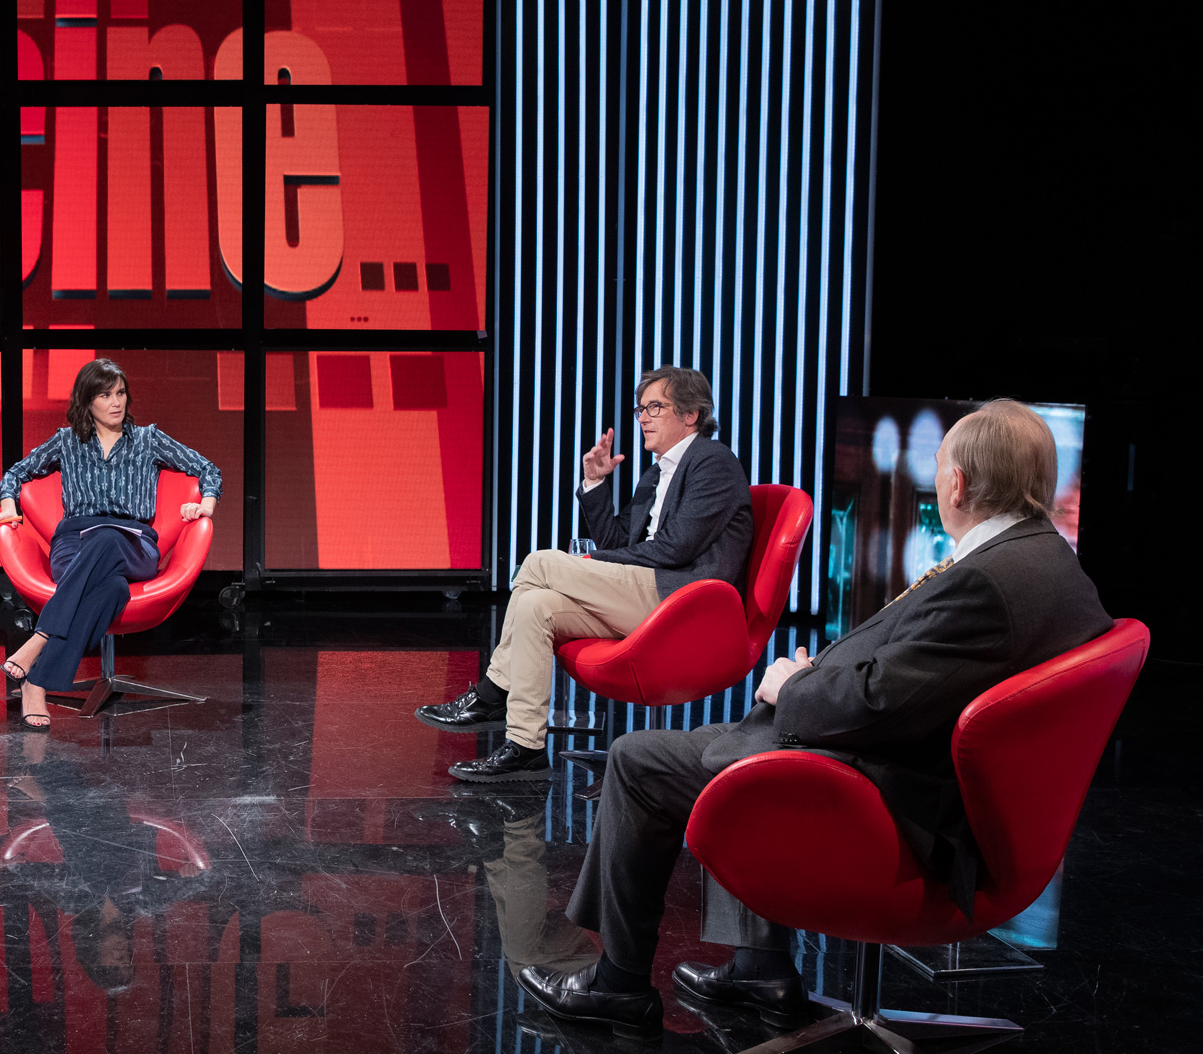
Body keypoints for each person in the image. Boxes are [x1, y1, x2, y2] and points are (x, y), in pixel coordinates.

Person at [516, 400, 1113, 1040]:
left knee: (640, 761)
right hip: (921, 771)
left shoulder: (989, 584)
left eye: (939, 466)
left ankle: (618, 985)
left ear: (958, 483)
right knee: (739, 738)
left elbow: (877, 704)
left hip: (891, 801)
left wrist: (796, 686)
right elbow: (919, 679)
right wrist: (817, 678)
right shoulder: (1049, 564)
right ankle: (761, 967)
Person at [417, 367, 753, 782]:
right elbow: (618, 539)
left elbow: (675, 549)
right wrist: (594, 484)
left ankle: (491, 694)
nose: (643, 418)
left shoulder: (712, 462)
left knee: (539, 562)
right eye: (640, 409)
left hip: (683, 601)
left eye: (655, 407)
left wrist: (594, 563)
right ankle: (526, 747)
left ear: (690, 415)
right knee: (536, 605)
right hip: (649, 592)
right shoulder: (657, 472)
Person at [0, 358, 221, 728]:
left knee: (108, 537)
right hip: (74, 544)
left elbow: (207, 468)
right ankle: (37, 683)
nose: (116, 403)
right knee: (113, 589)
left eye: (120, 393)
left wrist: (205, 505)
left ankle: (39, 638)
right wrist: (8, 507)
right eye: (105, 395)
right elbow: (15, 474)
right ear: (86, 401)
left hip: (133, 545)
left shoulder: (148, 439)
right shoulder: (66, 442)